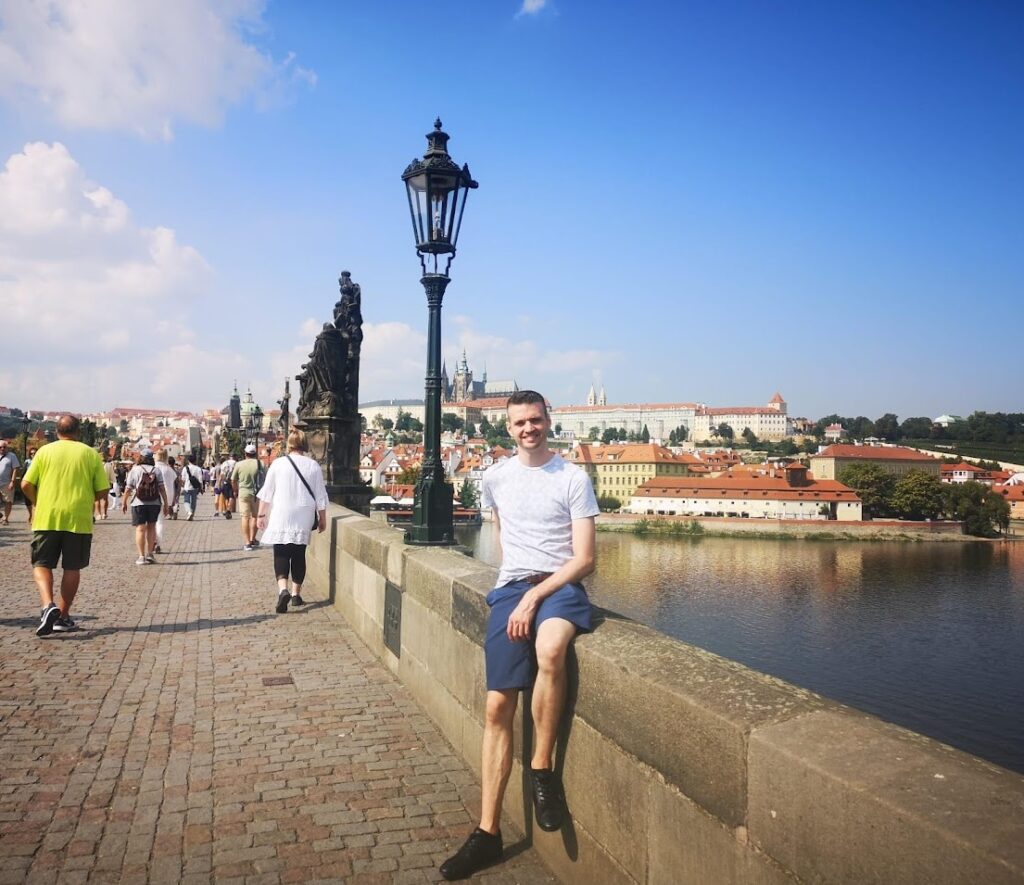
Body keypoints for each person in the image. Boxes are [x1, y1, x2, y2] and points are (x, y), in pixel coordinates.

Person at [439, 391, 598, 881]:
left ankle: (541, 770)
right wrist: (518, 585)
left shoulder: (573, 477)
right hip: (513, 585)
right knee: (496, 706)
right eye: (520, 423)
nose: (529, 428)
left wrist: (535, 595)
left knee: (550, 648)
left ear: (548, 421)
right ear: (507, 428)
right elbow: (504, 534)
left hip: (560, 586)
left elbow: (585, 559)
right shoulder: (495, 477)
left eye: (535, 420)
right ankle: (487, 832)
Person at [20, 415, 109, 636]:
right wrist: (87, 499)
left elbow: (26, 484)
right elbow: (102, 490)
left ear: (57, 431)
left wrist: (38, 502)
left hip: (47, 516)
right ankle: (63, 616)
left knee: (42, 563)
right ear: (78, 431)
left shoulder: (44, 452)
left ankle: (47, 605)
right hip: (78, 519)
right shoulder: (90, 454)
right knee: (72, 567)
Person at [255, 429, 327, 613]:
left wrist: (261, 515)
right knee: (298, 553)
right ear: (305, 444)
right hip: (304, 513)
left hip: (282, 512)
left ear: (289, 444)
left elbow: (267, 492)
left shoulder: (278, 464)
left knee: (281, 551)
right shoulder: (313, 466)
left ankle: (283, 590)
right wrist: (322, 518)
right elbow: (320, 495)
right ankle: (296, 595)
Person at [122, 450, 169, 564]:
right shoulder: (156, 470)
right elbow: (162, 488)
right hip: (154, 503)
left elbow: (128, 488)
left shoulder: (135, 470)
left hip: (138, 503)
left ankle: (141, 556)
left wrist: (124, 502)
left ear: (141, 457)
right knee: (152, 528)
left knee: (140, 529)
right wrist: (166, 503)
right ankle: (150, 554)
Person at [233, 443, 265, 550]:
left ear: (245, 453)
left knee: (245, 517)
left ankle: (247, 543)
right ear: (255, 453)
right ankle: (252, 539)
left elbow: (233, 480)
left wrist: (235, 490)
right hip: (257, 494)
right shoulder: (261, 463)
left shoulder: (239, 464)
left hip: (243, 493)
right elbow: (266, 478)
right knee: (255, 516)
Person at [153, 450, 178, 553]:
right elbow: (173, 485)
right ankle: (158, 543)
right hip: (165, 499)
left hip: (151, 497)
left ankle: (153, 540)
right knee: (160, 522)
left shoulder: (153, 468)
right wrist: (172, 501)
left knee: (150, 522)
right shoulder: (169, 470)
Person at [0, 439, 19, 526]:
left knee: (8, 501)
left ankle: (5, 518)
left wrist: (12, 481)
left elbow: (15, 469)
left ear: (7, 447)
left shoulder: (12, 456)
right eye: (0, 447)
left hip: (7, 483)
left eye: (4, 447)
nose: (2, 449)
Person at [179, 453, 203, 521]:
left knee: (186, 501)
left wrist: (182, 486)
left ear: (188, 460)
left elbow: (183, 479)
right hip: (195, 488)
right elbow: (200, 480)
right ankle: (192, 514)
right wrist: (201, 488)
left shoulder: (185, 468)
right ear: (195, 460)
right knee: (193, 502)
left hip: (187, 487)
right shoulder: (198, 469)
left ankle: (189, 512)